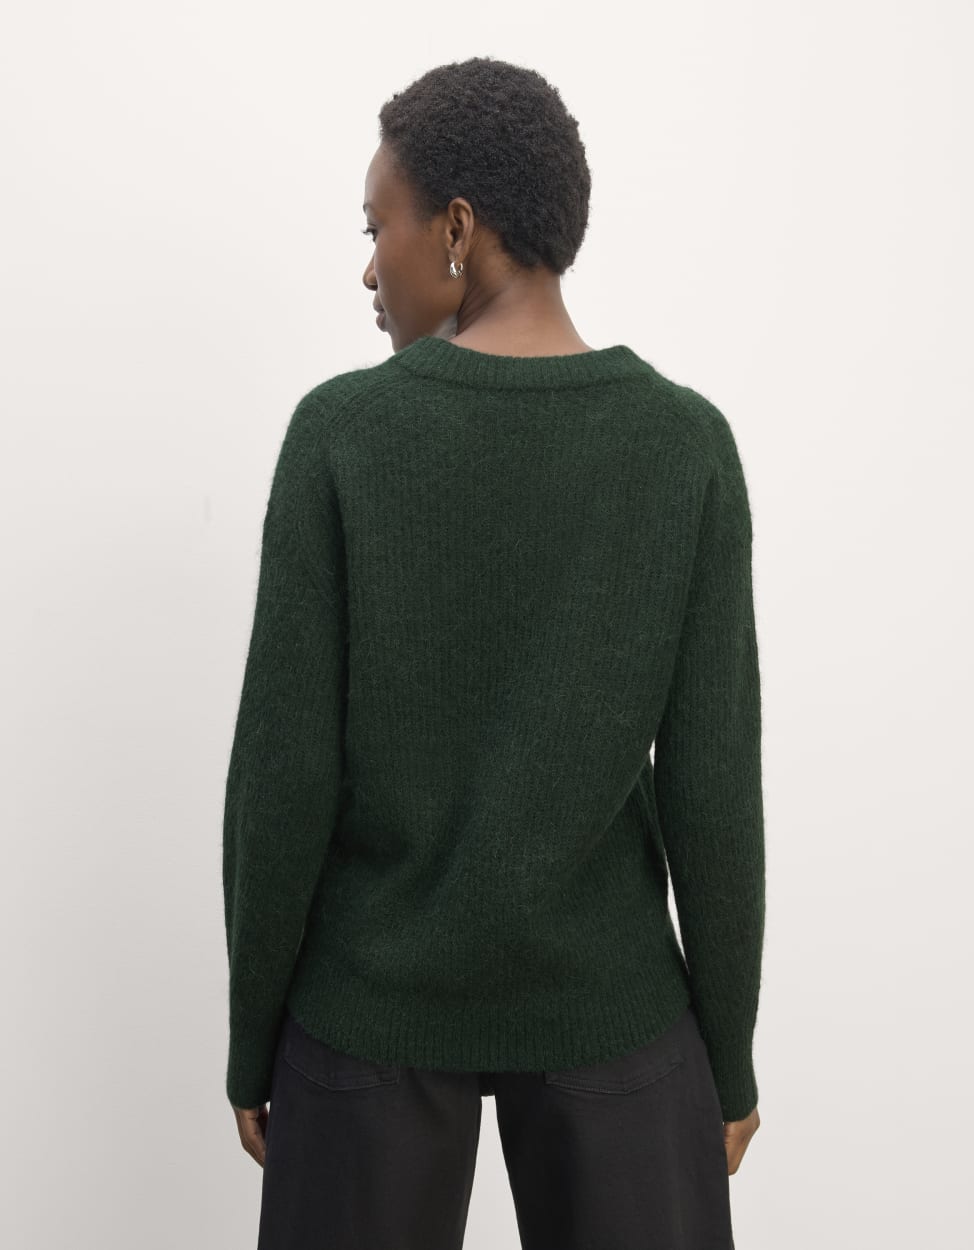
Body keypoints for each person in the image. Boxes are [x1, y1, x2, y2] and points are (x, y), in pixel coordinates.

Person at [223, 55, 765, 1250]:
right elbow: (713, 787)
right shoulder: (684, 446)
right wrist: (726, 1059)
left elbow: (283, 775)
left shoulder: (342, 433)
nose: (371, 266)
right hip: (614, 1014)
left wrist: (252, 1032)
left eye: (379, 227)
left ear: (458, 228)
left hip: (367, 1011)